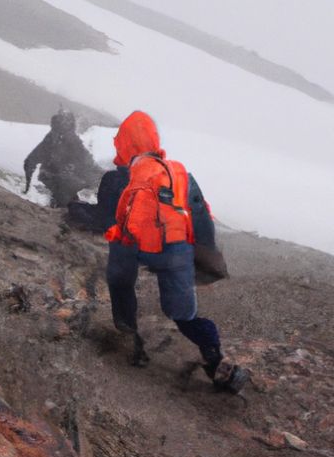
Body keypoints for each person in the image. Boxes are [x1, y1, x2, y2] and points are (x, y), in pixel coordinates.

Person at [74, 110, 248, 393]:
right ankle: (216, 360)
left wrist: (75, 210)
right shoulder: (181, 174)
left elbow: (105, 220)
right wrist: (206, 252)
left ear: (124, 145)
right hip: (174, 251)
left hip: (131, 249)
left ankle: (128, 334)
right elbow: (201, 214)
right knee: (183, 314)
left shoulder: (116, 180)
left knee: (119, 280)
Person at [23, 109, 102, 207]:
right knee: (65, 197)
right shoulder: (58, 140)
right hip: (59, 179)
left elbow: (29, 161)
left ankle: (63, 203)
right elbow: (30, 161)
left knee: (68, 195)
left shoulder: (55, 138)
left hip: (61, 179)